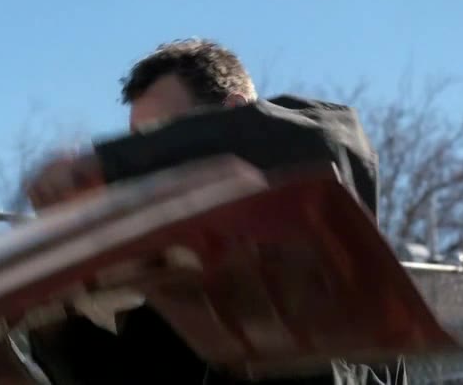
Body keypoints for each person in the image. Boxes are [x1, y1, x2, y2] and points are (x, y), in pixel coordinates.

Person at [25, 38, 408, 385]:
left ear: (236, 113)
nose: (149, 166)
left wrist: (106, 165)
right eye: (140, 144)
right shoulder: (181, 298)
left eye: (163, 137)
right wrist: (52, 318)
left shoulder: (310, 149)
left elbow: (316, 141)